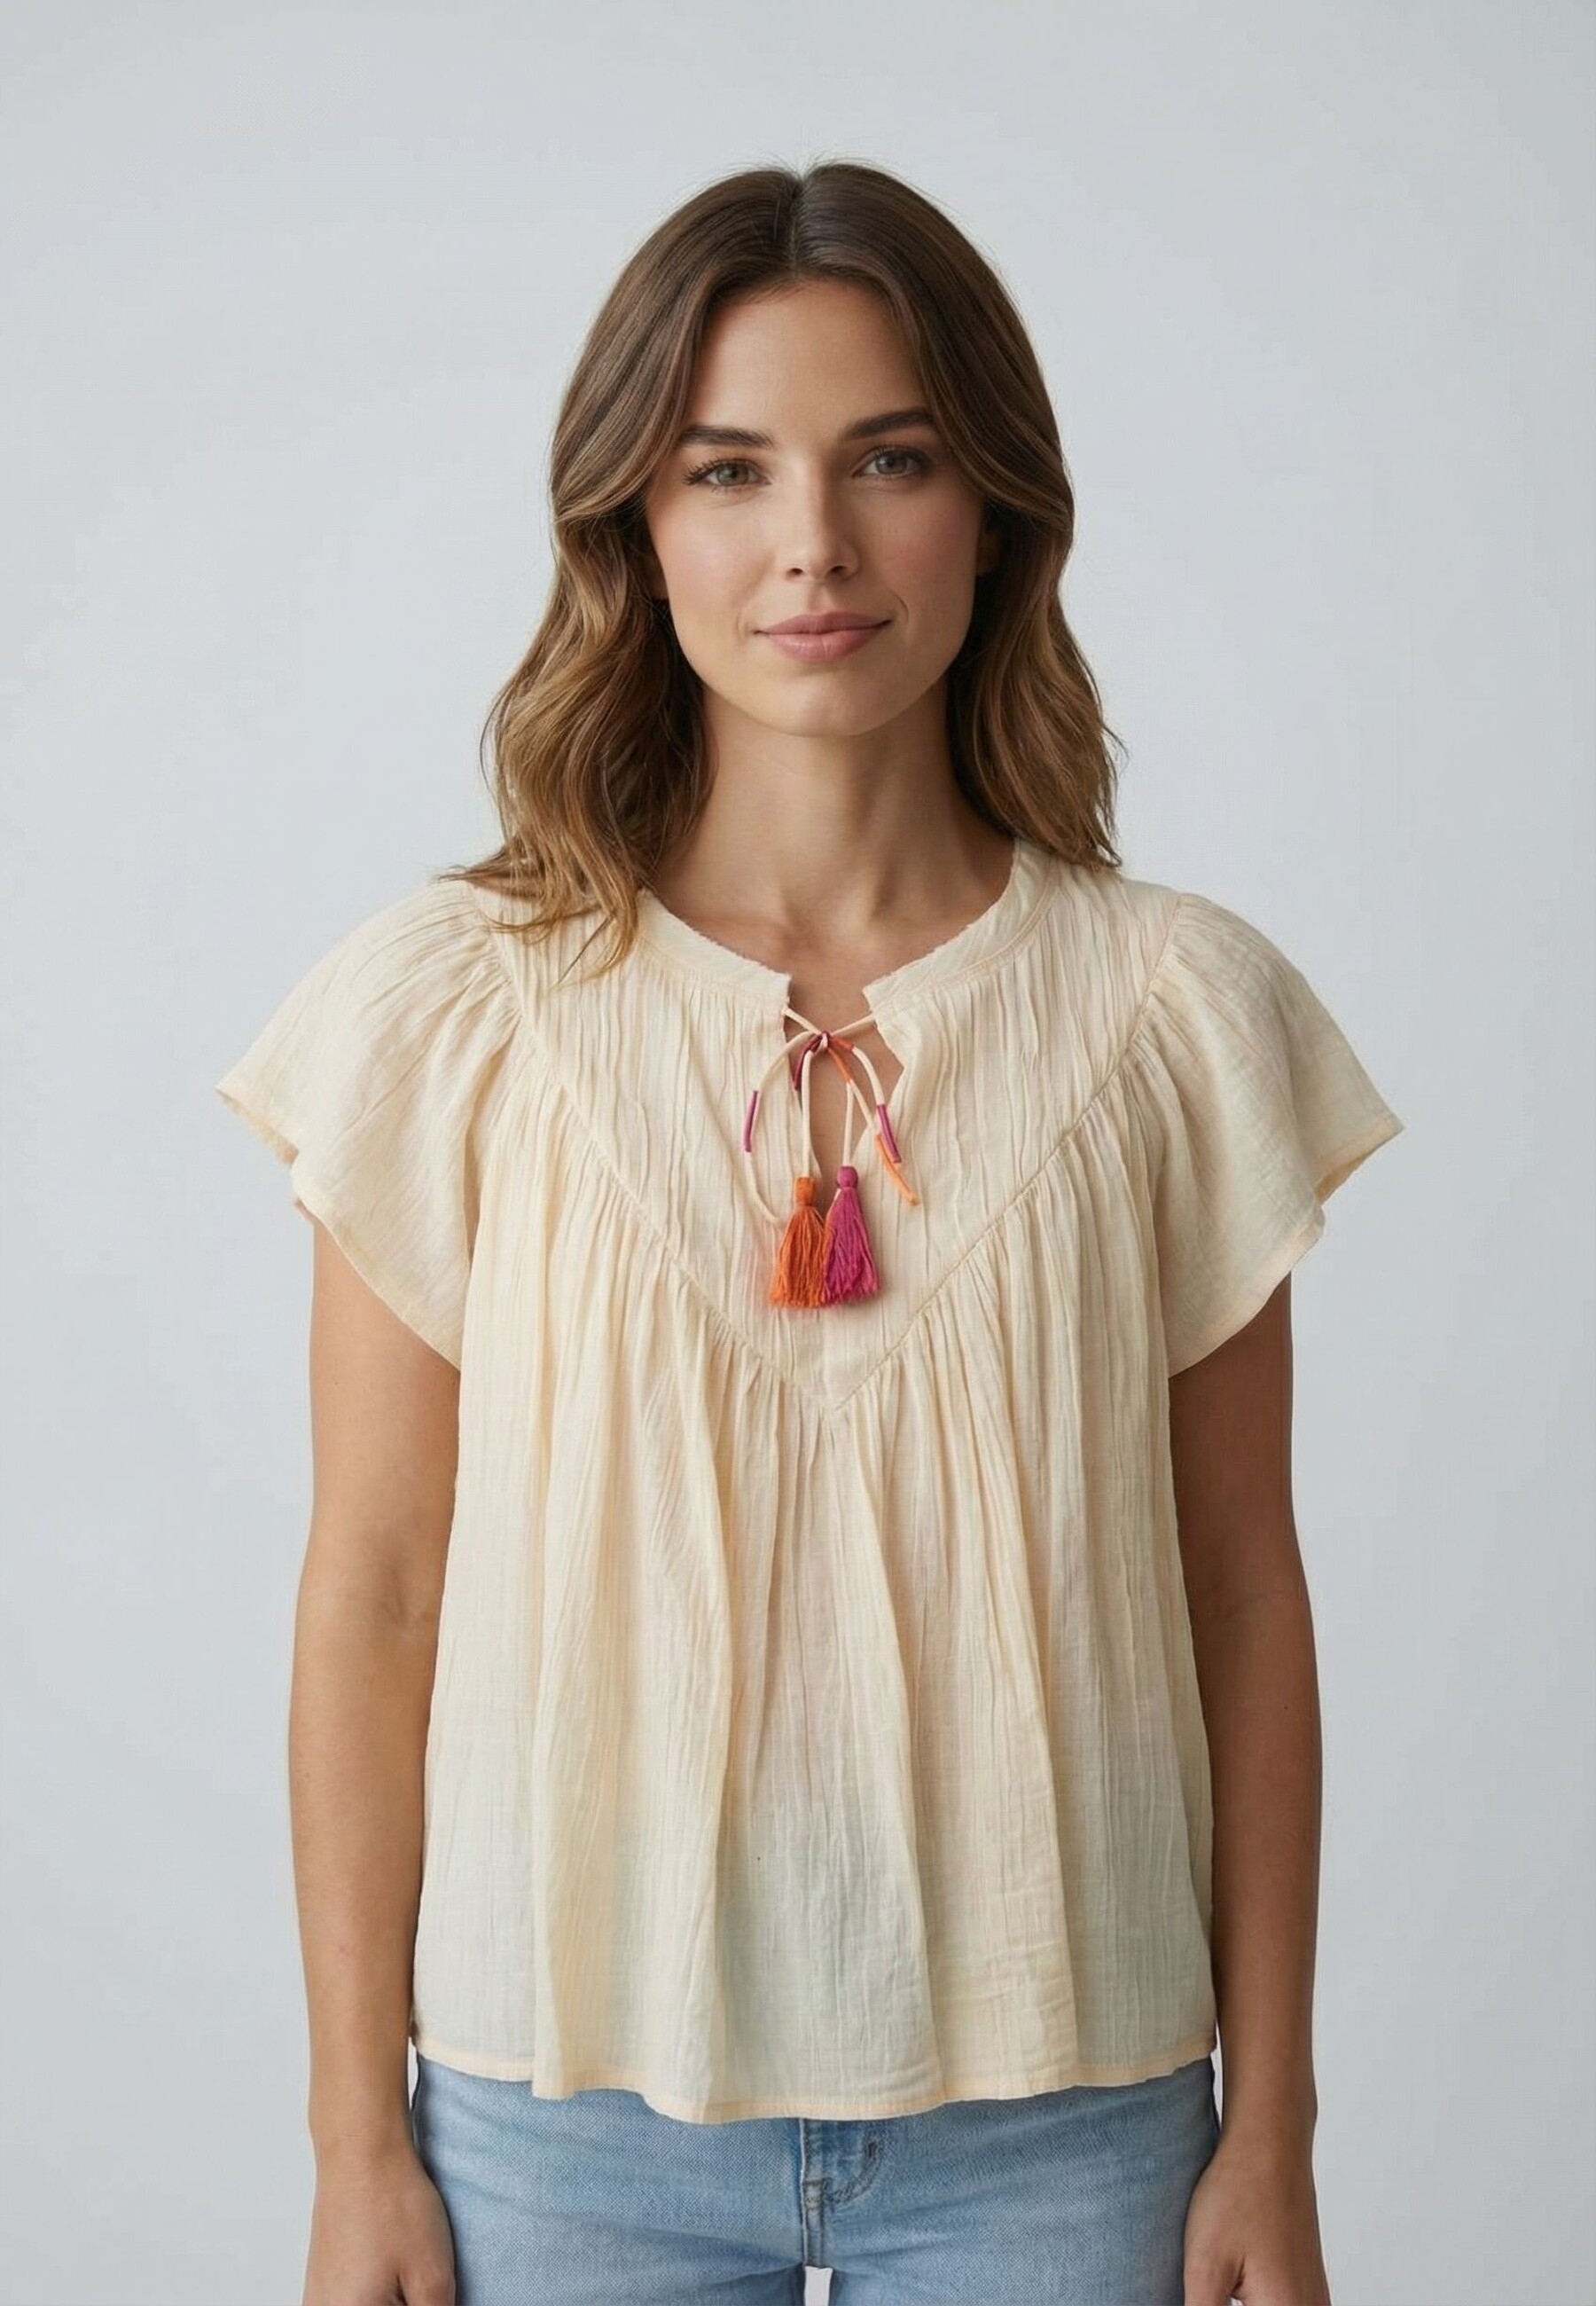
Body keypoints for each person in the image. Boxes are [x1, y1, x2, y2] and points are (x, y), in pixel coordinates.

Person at [215, 160, 1403, 2306]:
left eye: (893, 460)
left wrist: (1276, 2131)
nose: (815, 547)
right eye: (729, 468)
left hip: (1074, 2118)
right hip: (554, 2122)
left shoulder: (1170, 1012)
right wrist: (349, 2141)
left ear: (997, 510)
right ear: (635, 525)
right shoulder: (457, 1012)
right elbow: (374, 1595)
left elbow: (1244, 1593)